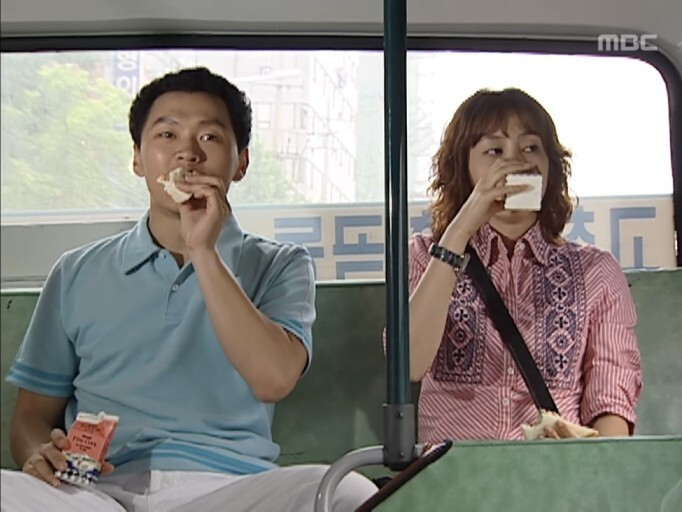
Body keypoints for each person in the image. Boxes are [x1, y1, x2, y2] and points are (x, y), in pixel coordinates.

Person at [0, 67, 376, 512]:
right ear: (137, 158)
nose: (188, 153)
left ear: (241, 162)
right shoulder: (76, 271)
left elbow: (273, 378)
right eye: (167, 135)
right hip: (92, 492)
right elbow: (31, 417)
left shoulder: (281, 264)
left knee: (350, 493)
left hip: (230, 490)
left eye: (210, 137)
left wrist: (204, 251)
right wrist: (38, 455)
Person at [407, 88, 642, 443]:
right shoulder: (425, 255)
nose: (515, 162)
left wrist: (593, 456)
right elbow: (409, 362)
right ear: (463, 167)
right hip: (451, 466)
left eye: (530, 148)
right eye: (494, 151)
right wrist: (462, 226)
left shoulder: (597, 270)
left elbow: (612, 396)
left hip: (558, 467)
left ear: (551, 167)